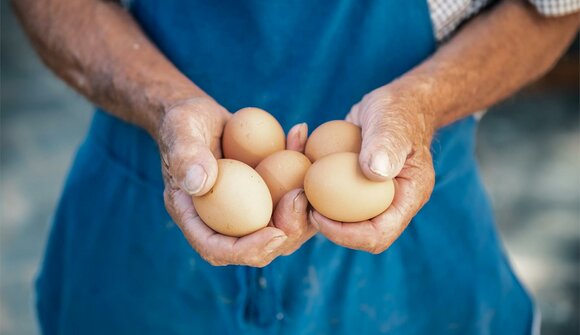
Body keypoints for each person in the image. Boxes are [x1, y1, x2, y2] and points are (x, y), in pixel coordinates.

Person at [13, 0, 579, 334]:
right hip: (150, 228)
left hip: (410, 235)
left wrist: (424, 104)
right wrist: (164, 105)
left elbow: (550, 8)